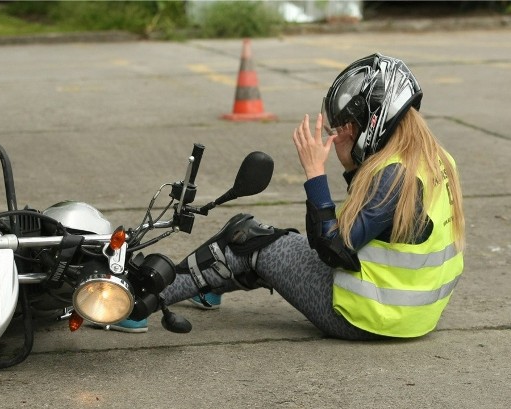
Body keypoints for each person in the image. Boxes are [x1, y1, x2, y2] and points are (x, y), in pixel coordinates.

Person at [105, 53, 465, 339]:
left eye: (341, 129)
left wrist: (314, 173)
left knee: (245, 238)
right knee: (272, 247)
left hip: (363, 317)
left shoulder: (393, 177)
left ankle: (133, 306)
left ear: (370, 125)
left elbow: (332, 249)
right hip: (414, 318)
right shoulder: (434, 159)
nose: (335, 136)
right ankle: (205, 286)